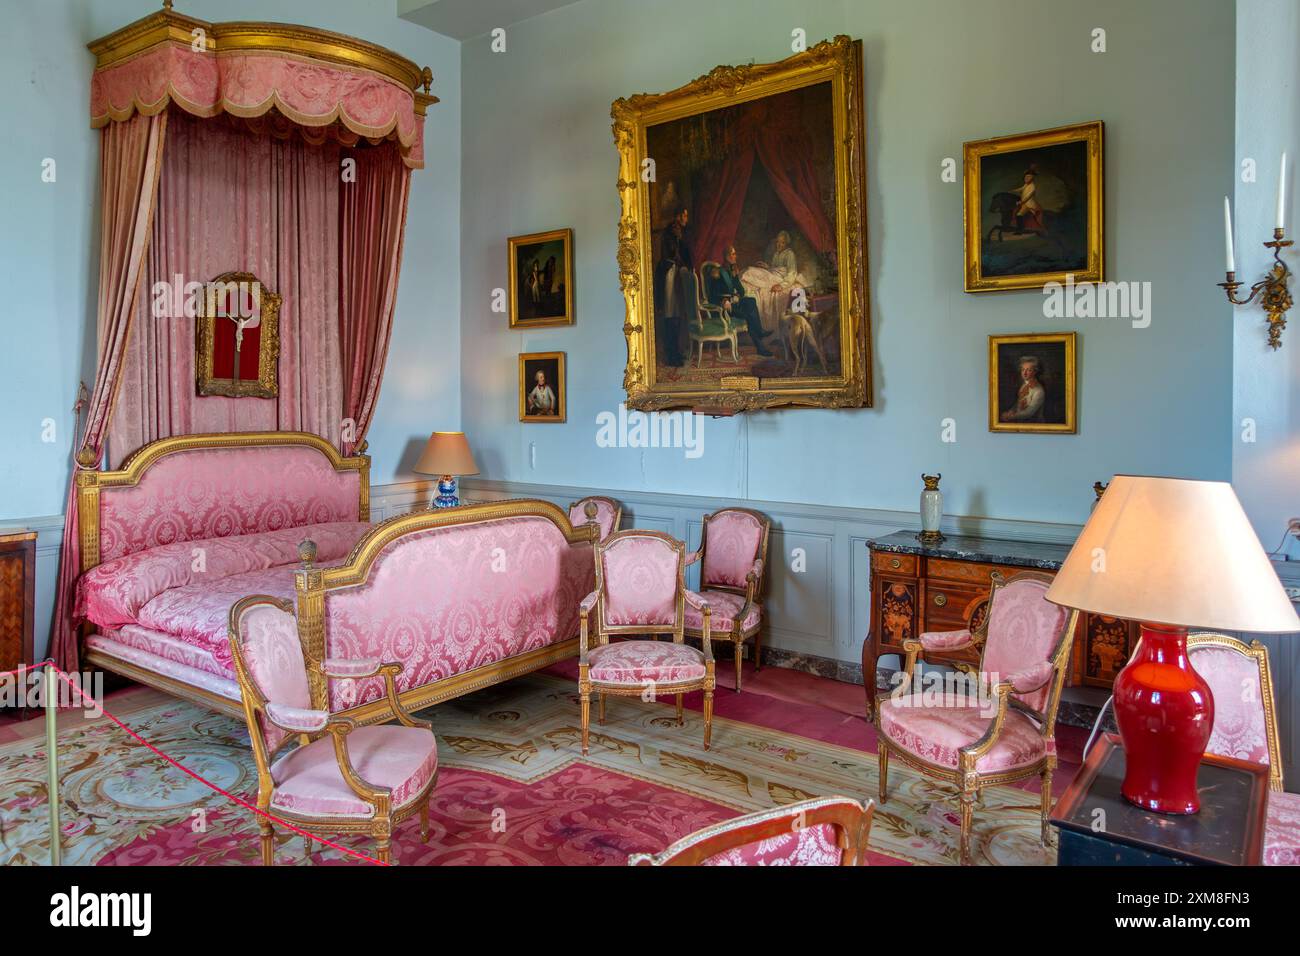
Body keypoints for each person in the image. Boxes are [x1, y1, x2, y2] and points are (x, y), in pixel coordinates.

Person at [705, 245, 774, 356]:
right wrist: (723, 301)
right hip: (724, 308)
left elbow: (741, 291)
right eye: (733, 254)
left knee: (751, 301)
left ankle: (760, 339)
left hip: (734, 303)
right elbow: (711, 297)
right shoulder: (717, 272)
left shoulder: (732, 271)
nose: (735, 256)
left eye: (735, 253)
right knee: (750, 314)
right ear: (727, 256)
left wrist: (737, 294)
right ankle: (760, 343)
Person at [653, 206, 693, 366]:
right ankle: (671, 355)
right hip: (669, 274)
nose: (686, 219)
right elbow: (672, 254)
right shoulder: (671, 232)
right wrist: (683, 263)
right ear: (677, 216)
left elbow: (685, 254)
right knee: (670, 314)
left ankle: (676, 352)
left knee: (676, 314)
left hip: (676, 275)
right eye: (684, 215)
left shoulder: (680, 233)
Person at [1001, 355, 1046, 422]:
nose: (1024, 373)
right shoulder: (1024, 385)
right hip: (1020, 421)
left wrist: (1011, 416)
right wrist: (1010, 411)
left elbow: (1029, 412)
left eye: (1029, 370)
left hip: (1034, 424)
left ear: (1035, 372)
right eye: (1023, 369)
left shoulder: (1038, 391)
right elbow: (1018, 403)